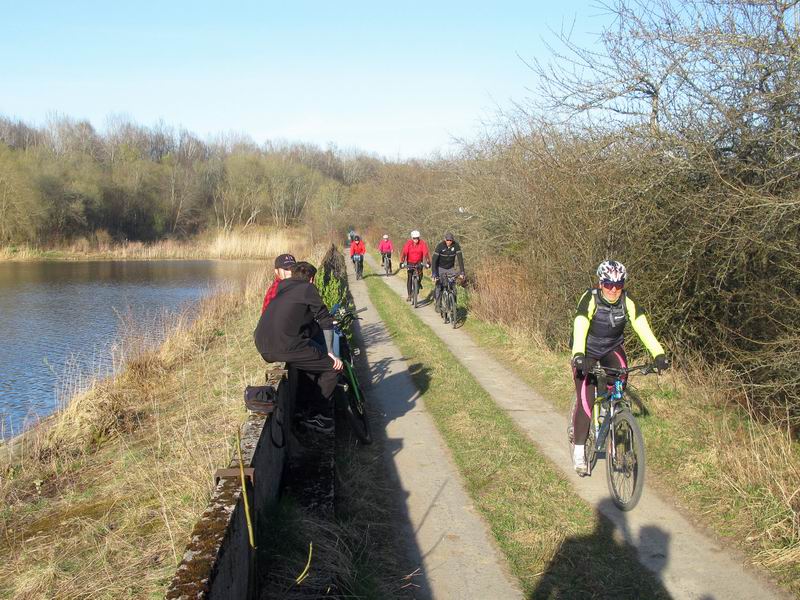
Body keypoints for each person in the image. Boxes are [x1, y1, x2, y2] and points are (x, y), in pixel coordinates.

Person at [570, 260, 670, 474]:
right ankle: (579, 452)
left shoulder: (627, 301)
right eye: (608, 284)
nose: (613, 290)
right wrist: (578, 354)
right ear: (600, 283)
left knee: (621, 376)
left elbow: (643, 327)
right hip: (587, 350)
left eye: (618, 285)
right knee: (586, 402)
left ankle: (612, 412)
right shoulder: (591, 298)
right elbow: (580, 323)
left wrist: (658, 353)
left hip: (611, 349)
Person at [254, 261, 343, 433]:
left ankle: (304, 409)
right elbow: (324, 319)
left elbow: (299, 319)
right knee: (333, 368)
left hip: (263, 345)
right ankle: (318, 416)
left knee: (310, 362)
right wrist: (331, 352)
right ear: (312, 279)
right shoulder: (307, 289)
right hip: (285, 345)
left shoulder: (281, 289)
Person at [432, 232, 465, 315]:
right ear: (445, 239)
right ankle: (438, 304)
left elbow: (460, 259)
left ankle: (454, 305)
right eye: (447, 240)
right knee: (439, 286)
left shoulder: (456, 246)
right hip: (440, 267)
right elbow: (434, 260)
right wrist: (434, 274)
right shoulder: (440, 246)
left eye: (450, 240)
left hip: (450, 268)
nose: (449, 242)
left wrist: (462, 272)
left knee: (453, 286)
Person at [399, 230, 431, 302]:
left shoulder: (422, 243)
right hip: (410, 262)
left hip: (419, 262)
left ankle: (418, 284)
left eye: (417, 238)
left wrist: (428, 261)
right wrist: (402, 261)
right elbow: (404, 252)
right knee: (409, 277)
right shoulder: (408, 243)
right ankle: (409, 295)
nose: (416, 240)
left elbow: (426, 253)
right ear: (412, 238)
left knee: (420, 275)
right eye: (414, 238)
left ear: (419, 237)